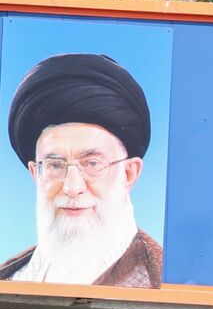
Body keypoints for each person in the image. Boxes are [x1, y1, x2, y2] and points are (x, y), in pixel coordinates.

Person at [0, 53, 161, 287]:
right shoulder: (10, 278)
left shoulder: (160, 284)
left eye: (92, 164)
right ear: (35, 173)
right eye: (56, 165)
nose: (72, 188)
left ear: (129, 173)